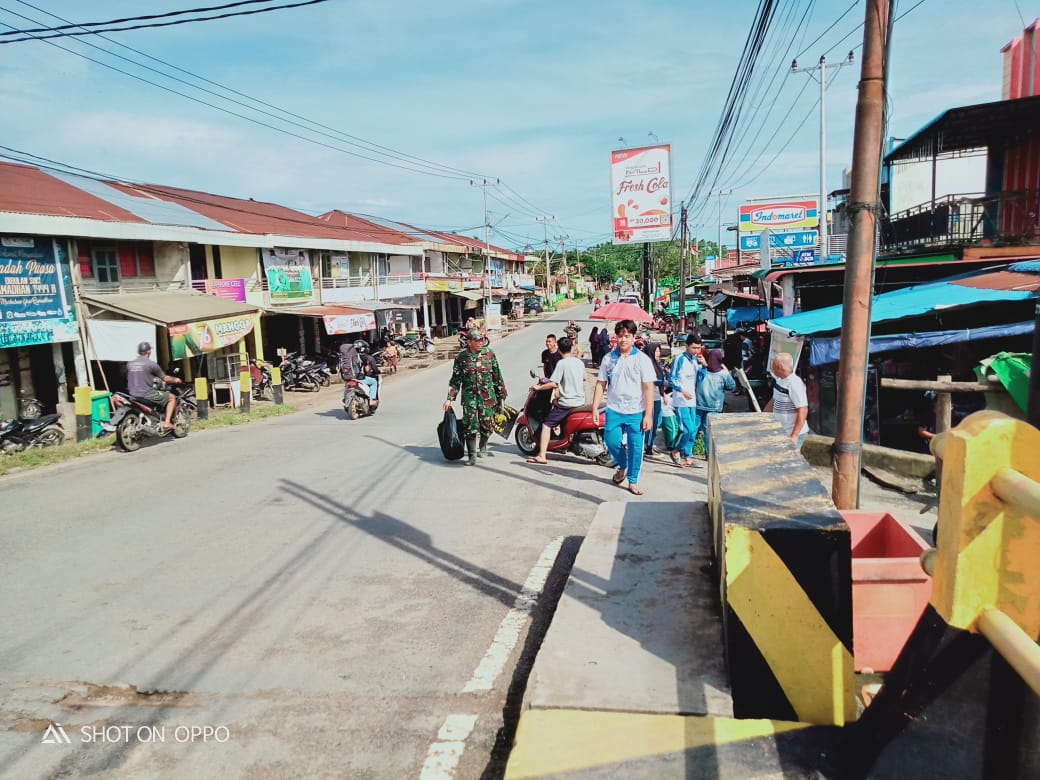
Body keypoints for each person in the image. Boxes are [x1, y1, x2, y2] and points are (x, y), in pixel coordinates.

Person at [591, 319, 657, 496]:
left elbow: (648, 388)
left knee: (636, 448)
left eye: (627, 336)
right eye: (620, 336)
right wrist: (595, 408)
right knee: (611, 441)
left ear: (634, 337)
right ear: (616, 337)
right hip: (614, 409)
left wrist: (648, 415)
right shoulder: (608, 359)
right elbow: (601, 384)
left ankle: (632, 481)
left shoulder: (642, 360)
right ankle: (623, 465)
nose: (623, 340)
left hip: (636, 411)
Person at [443, 327, 507, 465]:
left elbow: (497, 375)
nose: (480, 343)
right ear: (469, 342)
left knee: (487, 425)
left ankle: (483, 445)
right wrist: (449, 399)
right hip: (469, 398)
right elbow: (455, 380)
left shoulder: (489, 354)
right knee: (470, 426)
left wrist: (501, 393)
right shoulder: (461, 358)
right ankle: (472, 456)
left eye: (482, 340)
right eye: (477, 341)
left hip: (487, 397)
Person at [526, 336, 586, 465]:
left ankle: (542, 455)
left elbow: (553, 383)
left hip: (567, 402)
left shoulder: (562, 363)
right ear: (571, 347)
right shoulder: (579, 363)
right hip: (580, 401)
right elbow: (584, 378)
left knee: (546, 424)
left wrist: (539, 387)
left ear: (559, 349)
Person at [126, 341, 183, 430]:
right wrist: (176, 379)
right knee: (172, 398)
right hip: (146, 394)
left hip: (132, 394)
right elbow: (165, 378)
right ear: (149, 352)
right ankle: (167, 423)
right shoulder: (151, 364)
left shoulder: (130, 364)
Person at [669, 333, 706, 467]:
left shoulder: (696, 360)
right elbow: (672, 379)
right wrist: (682, 391)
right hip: (681, 400)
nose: (696, 351)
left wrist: (704, 365)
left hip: (692, 400)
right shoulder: (679, 359)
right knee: (687, 429)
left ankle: (688, 457)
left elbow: (700, 378)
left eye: (698, 348)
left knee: (693, 430)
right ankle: (676, 450)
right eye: (693, 348)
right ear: (687, 346)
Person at [694, 349, 736, 458]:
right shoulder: (723, 374)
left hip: (699, 404)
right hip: (714, 407)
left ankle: (686, 452)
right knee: (709, 431)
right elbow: (732, 387)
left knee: (693, 428)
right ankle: (709, 455)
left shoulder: (702, 370)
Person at [765, 352, 810, 449]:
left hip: (793, 434)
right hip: (782, 431)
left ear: (779, 367)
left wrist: (794, 436)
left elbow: (803, 410)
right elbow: (774, 399)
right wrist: (763, 415)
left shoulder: (795, 384)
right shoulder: (780, 380)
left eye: (773, 366)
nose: (772, 369)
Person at [639, 340, 669, 458]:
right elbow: (651, 380)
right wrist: (663, 383)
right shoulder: (647, 365)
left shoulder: (657, 365)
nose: (658, 354)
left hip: (657, 397)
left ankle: (650, 444)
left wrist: (663, 394)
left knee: (656, 422)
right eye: (656, 351)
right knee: (650, 423)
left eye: (659, 351)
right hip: (649, 398)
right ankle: (647, 446)